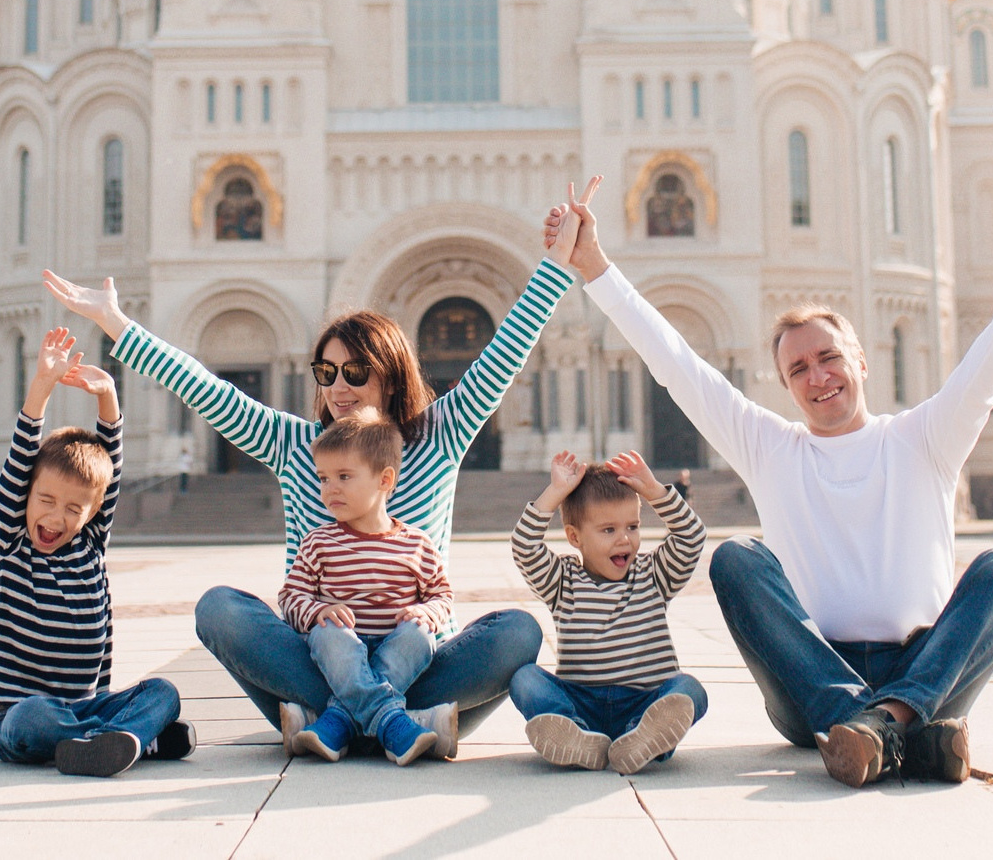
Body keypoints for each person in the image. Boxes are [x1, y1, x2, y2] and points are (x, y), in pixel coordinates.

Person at [545, 183, 993, 788]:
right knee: (737, 557)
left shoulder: (925, 437)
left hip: (928, 668)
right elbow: (677, 365)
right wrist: (594, 267)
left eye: (828, 357)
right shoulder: (771, 448)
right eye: (798, 368)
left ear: (861, 362)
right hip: (810, 681)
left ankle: (883, 726)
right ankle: (901, 731)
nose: (817, 376)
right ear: (785, 385)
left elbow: (985, 374)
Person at [41, 184, 600, 741]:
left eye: (355, 372)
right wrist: (116, 324)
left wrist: (557, 263)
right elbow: (204, 388)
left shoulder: (439, 435)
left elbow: (505, 352)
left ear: (391, 373)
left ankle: (340, 719)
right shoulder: (296, 443)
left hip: (416, 654)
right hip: (321, 655)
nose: (338, 387)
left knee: (519, 632)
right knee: (220, 609)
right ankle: (397, 722)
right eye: (326, 372)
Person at [0, 326, 192, 777]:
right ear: (25, 498)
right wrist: (42, 384)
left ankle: (110, 739)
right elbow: (20, 461)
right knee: (34, 718)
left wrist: (108, 399)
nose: (56, 519)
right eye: (45, 502)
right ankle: (133, 737)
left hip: (87, 702)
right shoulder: (13, 543)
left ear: (90, 514)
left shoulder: (91, 544)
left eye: (73, 508)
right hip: (21, 713)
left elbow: (109, 475)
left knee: (164, 691)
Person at [510, 449, 707, 774]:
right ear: (575, 537)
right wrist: (556, 492)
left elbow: (691, 537)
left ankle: (642, 737)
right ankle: (572, 733)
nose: (625, 540)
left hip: (646, 703)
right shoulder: (561, 580)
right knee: (524, 678)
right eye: (608, 530)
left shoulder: (654, 574)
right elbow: (524, 546)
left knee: (689, 689)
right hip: (581, 701)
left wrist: (654, 490)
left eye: (632, 527)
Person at [277, 408, 455, 767]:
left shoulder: (416, 544)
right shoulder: (318, 543)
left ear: (384, 480)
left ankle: (338, 720)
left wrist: (426, 613)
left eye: (344, 476)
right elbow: (290, 597)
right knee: (330, 636)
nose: (330, 489)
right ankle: (393, 723)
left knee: (418, 637)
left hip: (395, 651)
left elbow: (442, 595)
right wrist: (318, 612)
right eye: (323, 478)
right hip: (341, 651)